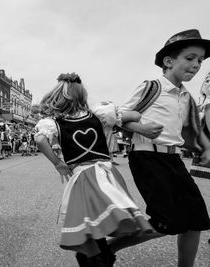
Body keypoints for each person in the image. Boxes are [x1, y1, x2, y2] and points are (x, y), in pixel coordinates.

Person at [34, 73, 153, 266]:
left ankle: (95, 255)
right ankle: (100, 256)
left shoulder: (53, 123)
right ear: (82, 96)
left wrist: (58, 163)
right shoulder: (99, 114)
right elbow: (136, 115)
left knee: (89, 220)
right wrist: (118, 117)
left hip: (82, 177)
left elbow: (40, 140)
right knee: (107, 213)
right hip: (106, 174)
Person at [119, 29, 210, 267]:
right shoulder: (152, 87)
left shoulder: (185, 97)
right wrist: (141, 129)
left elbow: (193, 131)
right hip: (148, 158)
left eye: (200, 60)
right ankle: (106, 249)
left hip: (174, 160)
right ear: (169, 61)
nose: (196, 65)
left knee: (197, 219)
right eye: (190, 58)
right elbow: (118, 116)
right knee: (168, 222)